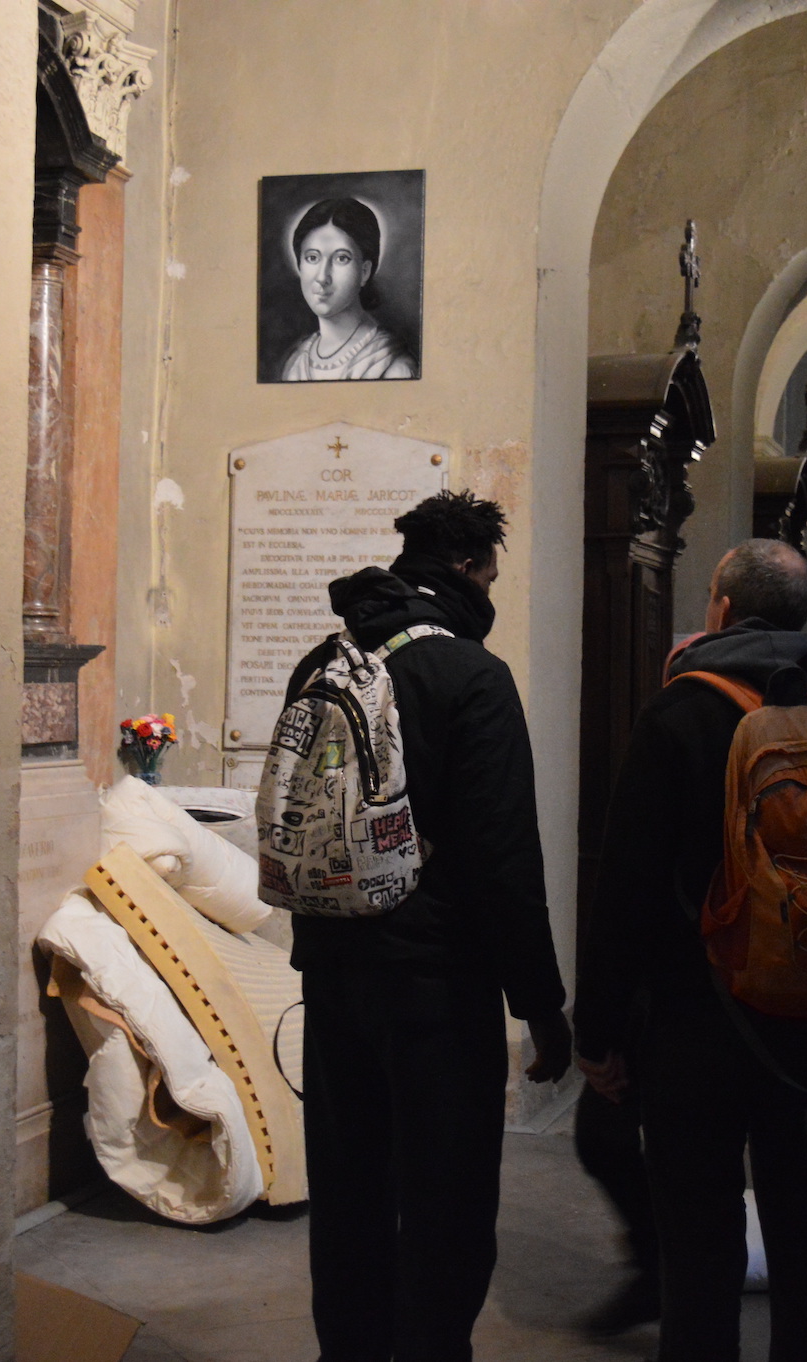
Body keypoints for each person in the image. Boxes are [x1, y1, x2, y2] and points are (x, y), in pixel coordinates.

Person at [574, 538, 807, 1362]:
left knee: (698, 1253)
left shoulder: (678, 717)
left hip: (696, 1033)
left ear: (720, 609)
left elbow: (625, 890)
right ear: (801, 617)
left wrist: (601, 1035)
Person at [286, 489, 571, 1362]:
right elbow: (503, 858)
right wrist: (541, 1005)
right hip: (437, 988)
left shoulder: (320, 662)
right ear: (470, 566)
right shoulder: (471, 676)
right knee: (446, 1203)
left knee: (348, 1197)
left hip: (334, 976)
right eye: (492, 568)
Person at [279, 197, 416, 381]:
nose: (322, 277)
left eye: (341, 258)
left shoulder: (393, 367)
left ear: (365, 271)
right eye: (312, 258)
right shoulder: (296, 363)